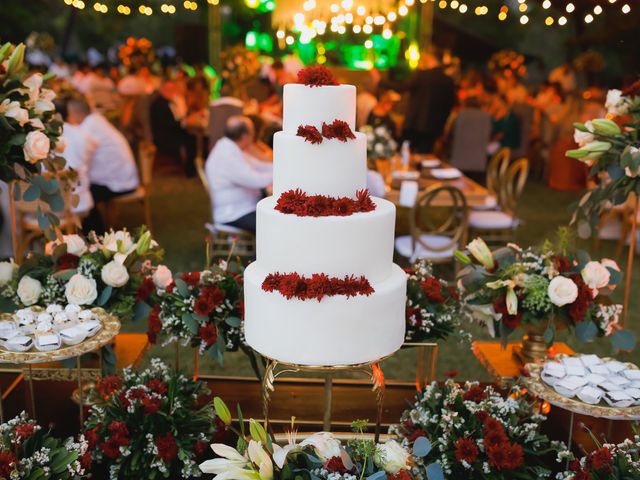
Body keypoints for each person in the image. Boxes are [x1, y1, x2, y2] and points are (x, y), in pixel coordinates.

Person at [66, 98, 139, 233]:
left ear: (73, 114)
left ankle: (96, 236)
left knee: (81, 195)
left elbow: (79, 162)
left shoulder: (87, 129)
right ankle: (93, 234)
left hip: (118, 183)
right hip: (123, 176)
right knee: (82, 189)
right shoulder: (96, 120)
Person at [373, 51, 455, 153]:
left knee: (407, 154)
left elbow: (402, 87)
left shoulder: (422, 75)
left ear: (431, 59)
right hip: (434, 127)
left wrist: (380, 81)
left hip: (414, 124)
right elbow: (449, 106)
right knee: (425, 156)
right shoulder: (448, 81)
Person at [205, 116, 272, 233]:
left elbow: (257, 165)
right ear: (245, 136)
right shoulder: (227, 156)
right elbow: (255, 180)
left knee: (273, 214)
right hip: (234, 213)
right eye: (253, 132)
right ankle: (260, 251)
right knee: (272, 227)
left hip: (243, 206)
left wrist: (281, 169)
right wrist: (280, 174)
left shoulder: (229, 146)